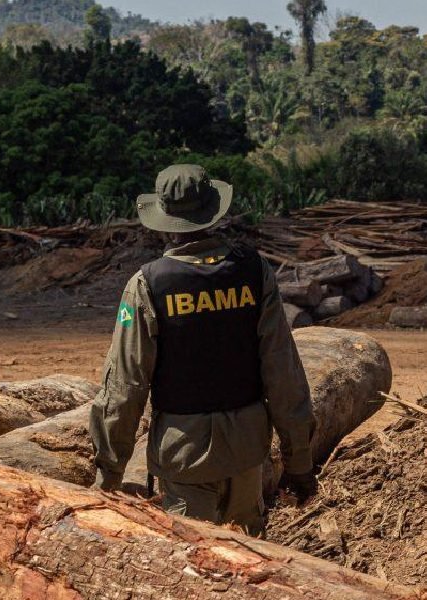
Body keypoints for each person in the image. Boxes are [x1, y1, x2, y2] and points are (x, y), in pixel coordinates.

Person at [88, 164, 317, 536]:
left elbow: (125, 387)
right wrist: (299, 460)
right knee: (249, 564)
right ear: (212, 212)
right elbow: (282, 371)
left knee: (196, 568)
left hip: (184, 457)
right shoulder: (253, 272)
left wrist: (109, 472)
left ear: (164, 222)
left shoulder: (147, 284)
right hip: (246, 452)